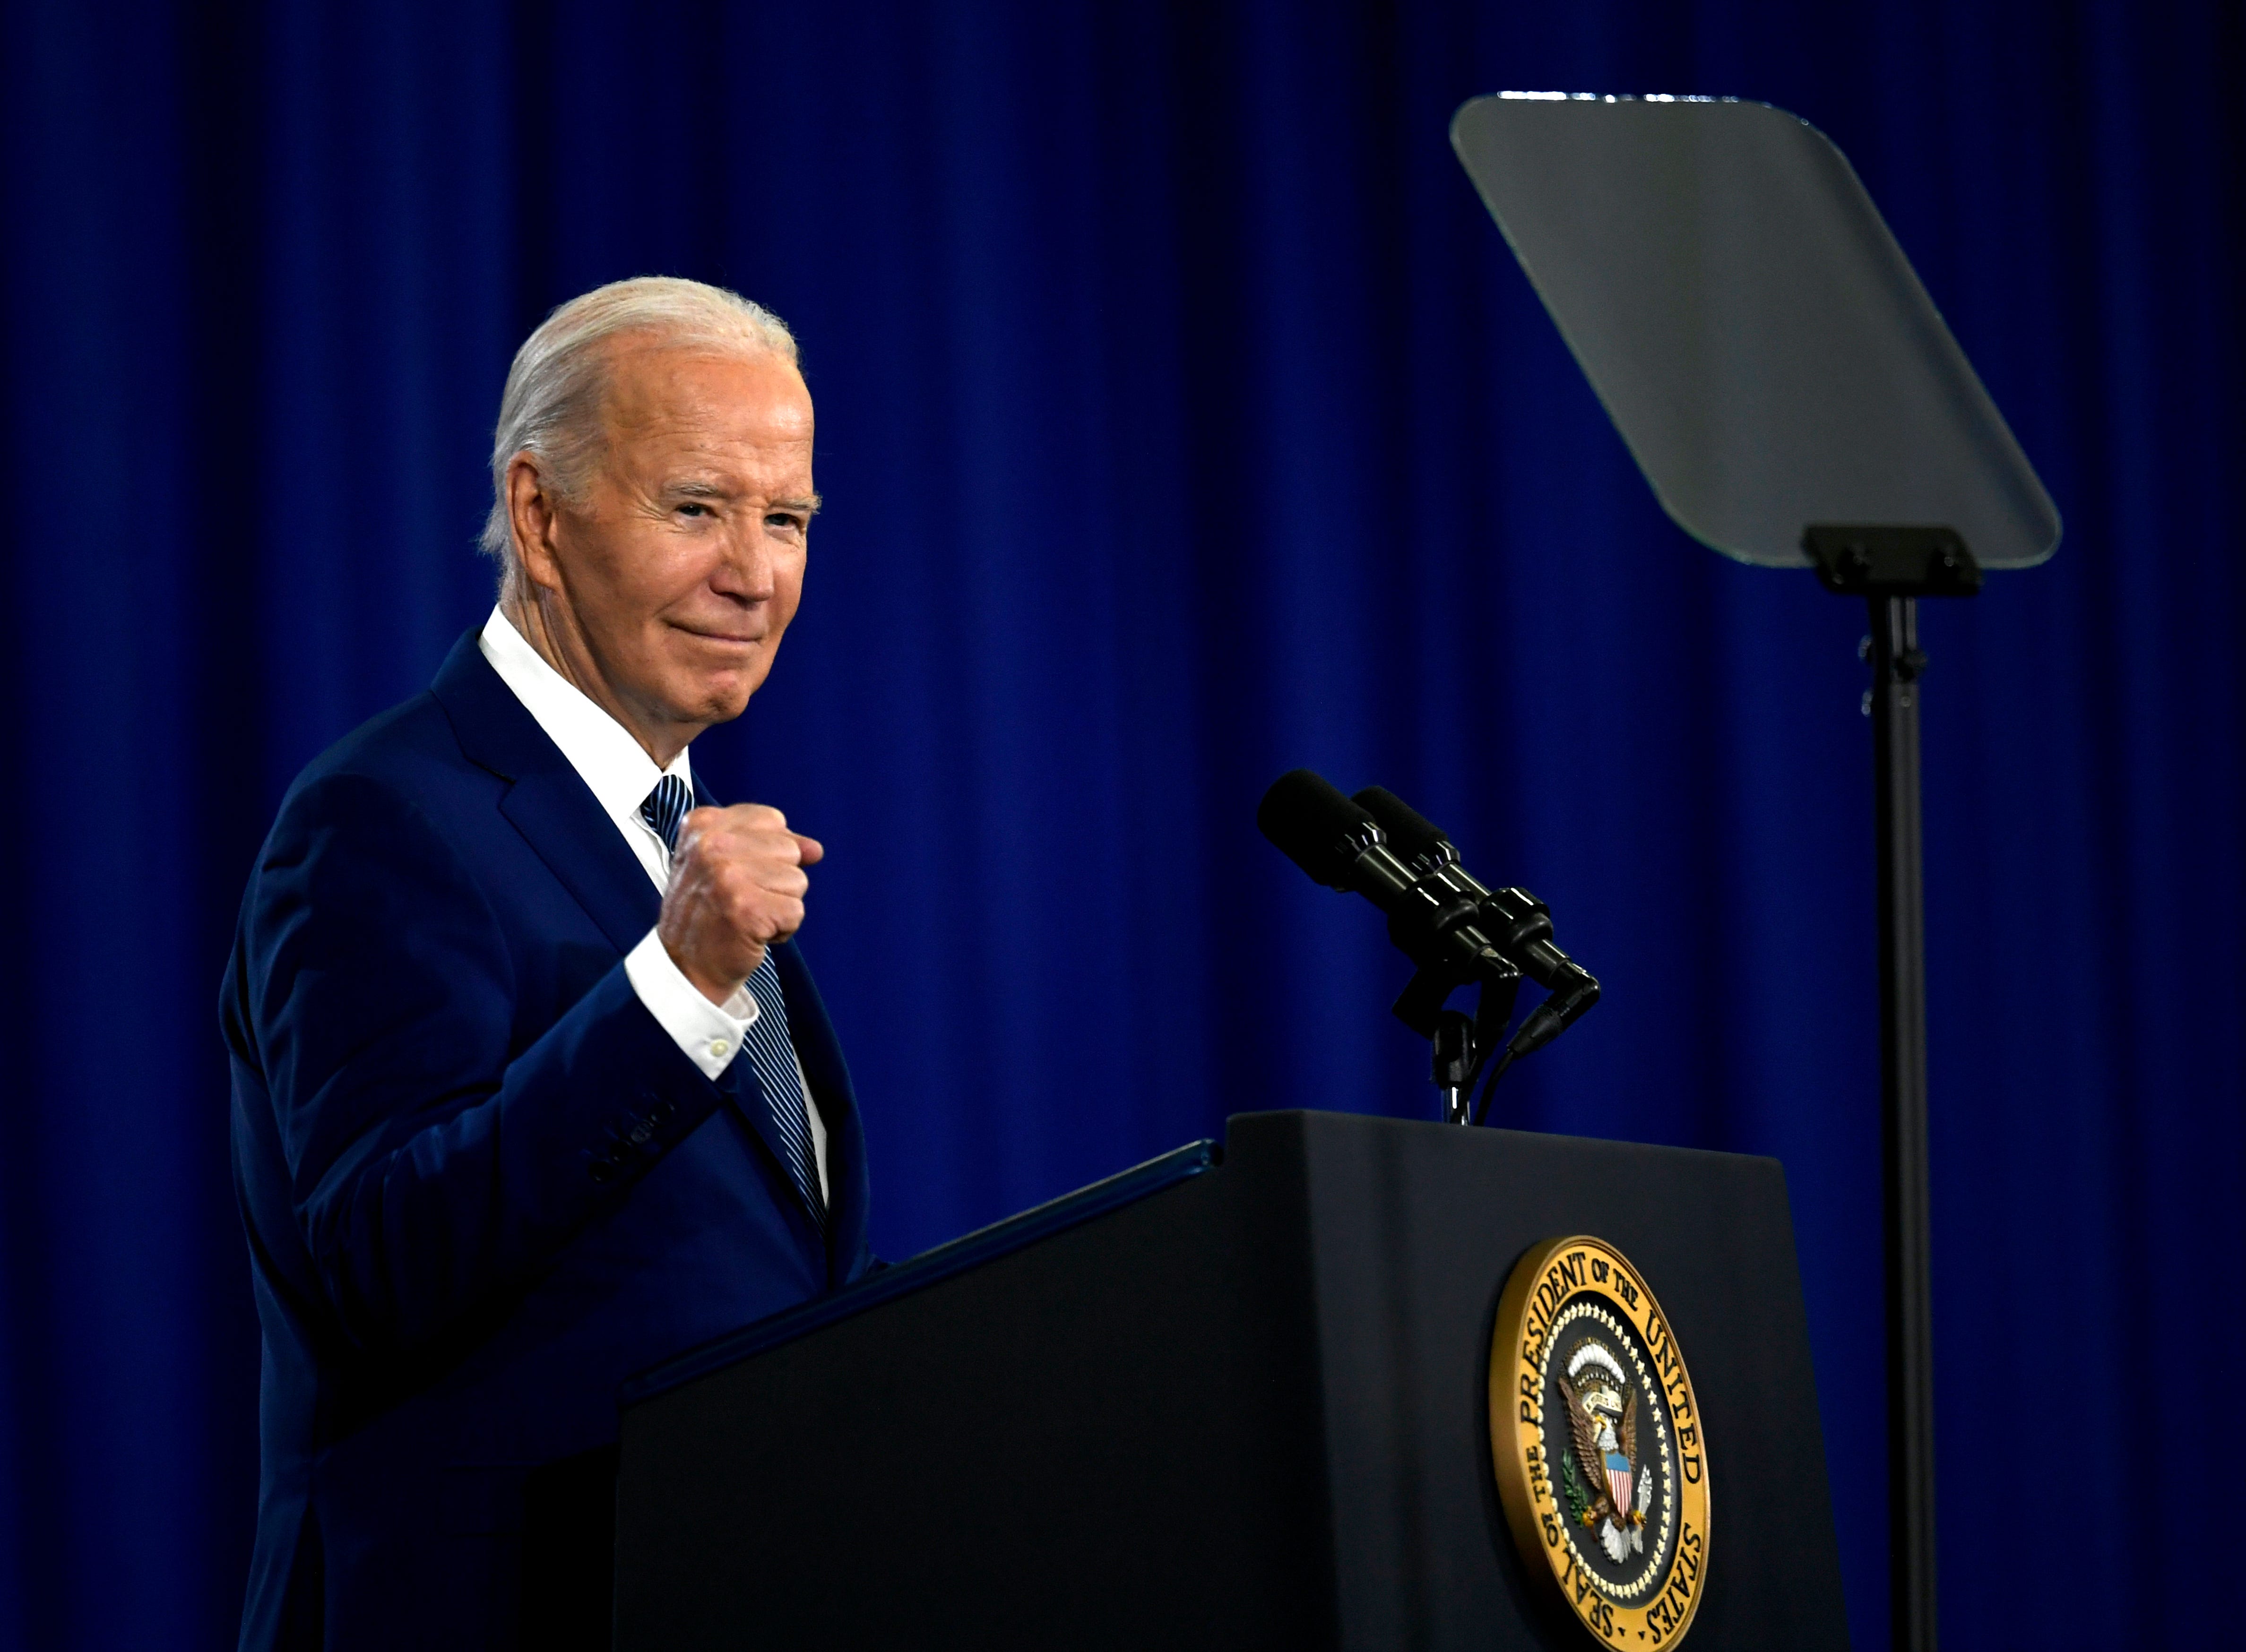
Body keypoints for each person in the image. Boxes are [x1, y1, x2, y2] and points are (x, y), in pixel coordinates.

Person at [220, 276, 873, 1652]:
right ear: (540, 514)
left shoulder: (676, 835)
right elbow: (384, 1258)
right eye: (697, 508)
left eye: (788, 519)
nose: (754, 573)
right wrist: (675, 988)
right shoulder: (382, 819)